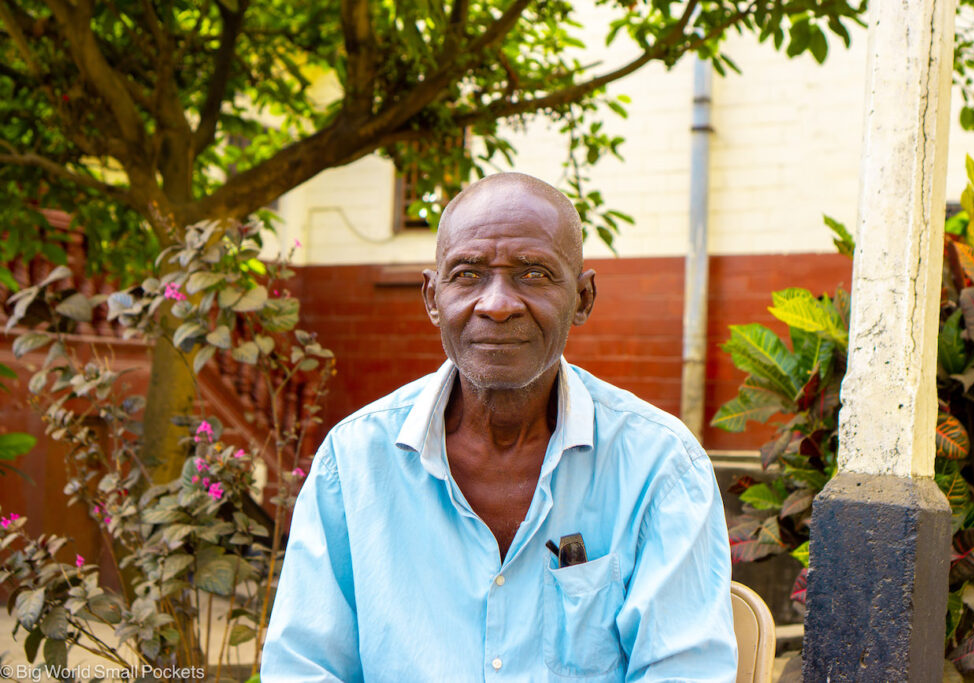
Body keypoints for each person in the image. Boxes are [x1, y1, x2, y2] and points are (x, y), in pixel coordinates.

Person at [261, 173, 737, 681]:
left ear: (582, 298)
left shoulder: (660, 466)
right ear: (431, 297)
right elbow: (305, 667)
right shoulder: (353, 462)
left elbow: (683, 671)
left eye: (533, 274)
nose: (498, 303)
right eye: (468, 274)